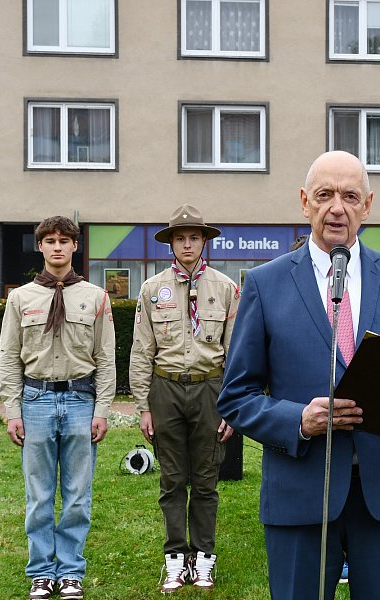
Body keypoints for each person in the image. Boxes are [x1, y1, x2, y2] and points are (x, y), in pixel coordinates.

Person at [218, 151, 380, 600]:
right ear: (304, 202)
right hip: (301, 494)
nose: (338, 207)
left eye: (350, 196)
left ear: (368, 205)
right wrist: (298, 420)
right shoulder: (265, 284)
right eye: (325, 195)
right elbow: (236, 396)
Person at [0, 216, 116, 600]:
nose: (58, 247)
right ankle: (40, 573)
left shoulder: (96, 297)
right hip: (36, 400)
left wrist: (103, 409)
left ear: (75, 247)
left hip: (81, 401)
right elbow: (9, 357)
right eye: (50, 240)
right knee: (39, 494)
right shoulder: (20, 298)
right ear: (41, 247)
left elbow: (106, 357)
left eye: (65, 240)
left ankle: (70, 573)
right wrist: (12, 410)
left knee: (78, 494)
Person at [129, 205, 239, 593]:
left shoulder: (225, 288)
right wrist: (143, 406)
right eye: (180, 237)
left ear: (204, 241)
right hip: (166, 389)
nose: (187, 244)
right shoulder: (151, 289)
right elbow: (142, 351)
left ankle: (203, 558)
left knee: (207, 481)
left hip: (211, 389)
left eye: (194, 237)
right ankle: (176, 558)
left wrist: (232, 406)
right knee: (172, 480)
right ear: (171, 243)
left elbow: (235, 354)